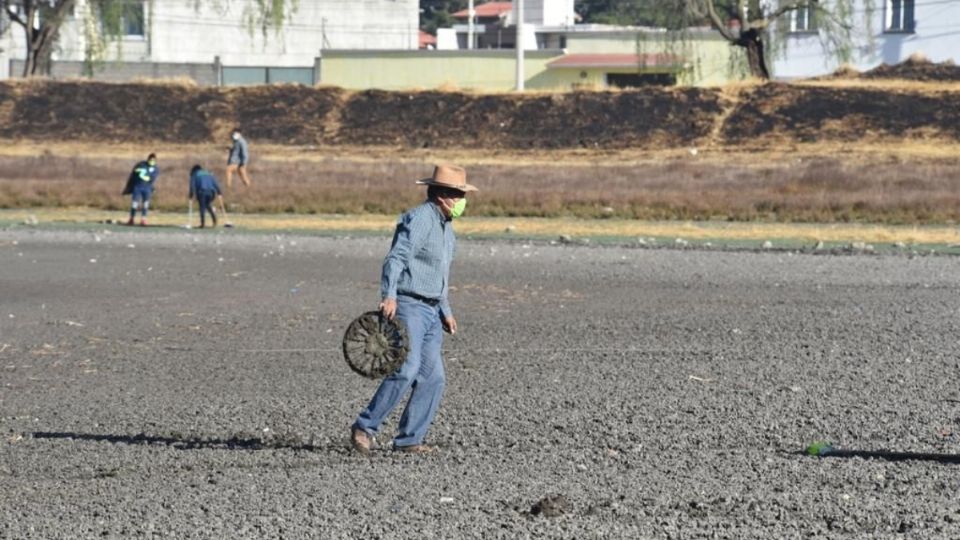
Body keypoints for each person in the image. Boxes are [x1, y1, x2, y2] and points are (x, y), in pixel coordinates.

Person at [351, 164, 478, 455]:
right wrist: (389, 295)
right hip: (409, 305)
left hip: (432, 311)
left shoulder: (447, 229)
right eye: (459, 195)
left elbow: (439, 274)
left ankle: (409, 440)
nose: (462, 201)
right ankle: (364, 427)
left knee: (433, 377)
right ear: (443, 196)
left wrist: (445, 309)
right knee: (406, 368)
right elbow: (396, 258)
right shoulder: (421, 219)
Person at [122, 153, 159, 226]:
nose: (152, 161)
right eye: (150, 160)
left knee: (145, 204)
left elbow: (151, 179)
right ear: (148, 159)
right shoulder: (141, 165)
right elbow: (133, 175)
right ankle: (131, 219)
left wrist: (144, 175)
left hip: (147, 188)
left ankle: (143, 219)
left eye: (153, 160)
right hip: (138, 187)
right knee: (134, 204)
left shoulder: (156, 168)